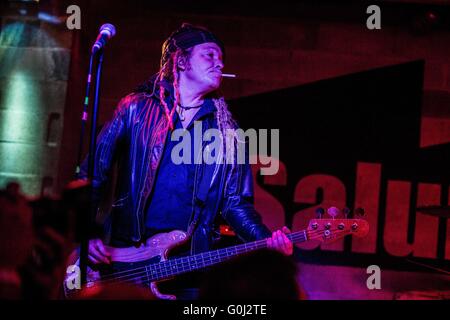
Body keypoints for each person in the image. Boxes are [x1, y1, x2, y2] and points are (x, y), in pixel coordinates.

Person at [79, 23, 293, 299]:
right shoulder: (136, 108)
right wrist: (85, 233)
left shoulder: (228, 131)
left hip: (188, 268)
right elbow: (93, 173)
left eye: (221, 58)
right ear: (180, 61)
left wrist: (265, 240)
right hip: (124, 261)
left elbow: (236, 202)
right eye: (210, 55)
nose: (220, 63)